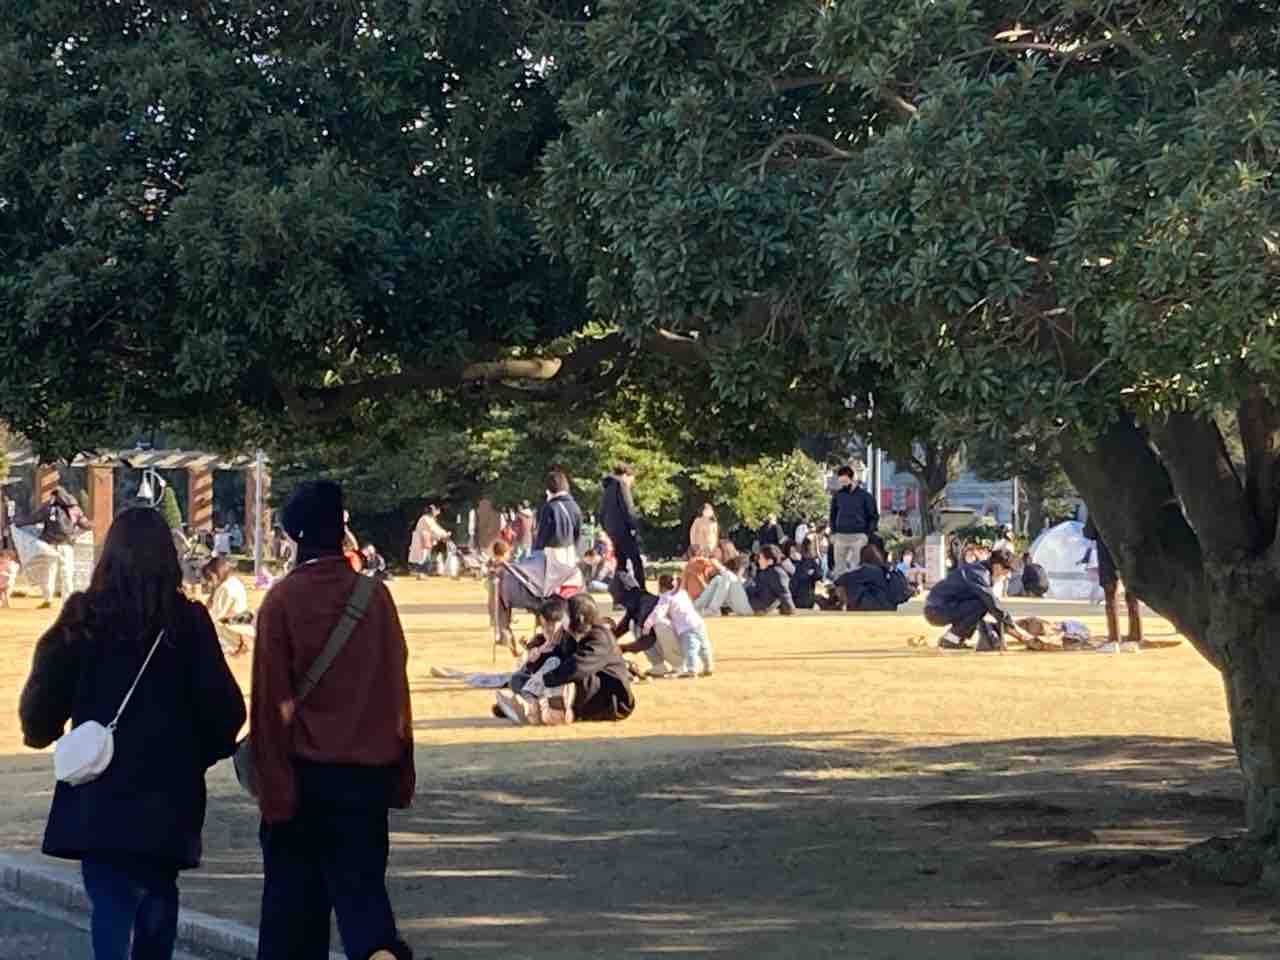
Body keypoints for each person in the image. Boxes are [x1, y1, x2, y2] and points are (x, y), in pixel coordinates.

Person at [19, 508, 245, 960]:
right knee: (157, 904)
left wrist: (53, 733)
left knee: (110, 903)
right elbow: (226, 713)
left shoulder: (83, 617)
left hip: (99, 792)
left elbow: (41, 711)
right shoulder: (188, 622)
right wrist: (194, 754)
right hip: (168, 794)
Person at [250, 481, 416, 960]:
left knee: (292, 920)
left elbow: (271, 705)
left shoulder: (282, 601)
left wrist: (273, 789)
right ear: (341, 530)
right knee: (365, 905)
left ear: (293, 535)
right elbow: (395, 688)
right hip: (366, 778)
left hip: (302, 778)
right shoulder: (375, 597)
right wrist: (400, 769)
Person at [529, 593, 635, 722]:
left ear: (580, 618)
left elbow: (576, 668)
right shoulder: (571, 636)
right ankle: (542, 707)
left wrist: (542, 681)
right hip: (591, 691)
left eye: (567, 615)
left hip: (614, 702)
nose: (563, 619)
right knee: (556, 666)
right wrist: (536, 660)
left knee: (568, 673)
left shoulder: (600, 638)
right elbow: (557, 657)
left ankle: (562, 711)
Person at [923, 546, 1032, 650]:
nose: (1008, 575)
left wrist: (1009, 625)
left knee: (982, 604)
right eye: (1007, 571)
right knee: (983, 603)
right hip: (936, 610)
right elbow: (992, 603)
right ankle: (951, 639)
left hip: (942, 606)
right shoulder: (979, 574)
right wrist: (1019, 633)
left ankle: (952, 638)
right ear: (997, 566)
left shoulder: (981, 570)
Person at [25, 486, 92, 609]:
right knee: (67, 574)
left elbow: (32, 519)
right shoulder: (75, 509)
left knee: (49, 572)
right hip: (66, 545)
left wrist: (17, 523)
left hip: (49, 545)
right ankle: (68, 601)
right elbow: (87, 526)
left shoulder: (48, 508)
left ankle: (48, 599)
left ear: (54, 496)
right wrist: (74, 535)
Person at [1083, 517, 1141, 646]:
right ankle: (1135, 636)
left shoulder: (1100, 506)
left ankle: (1114, 639)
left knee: (1111, 596)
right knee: (1132, 594)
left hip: (1107, 552)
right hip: (1130, 550)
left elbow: (1089, 533)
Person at [645, 574, 714, 678]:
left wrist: (647, 624)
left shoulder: (666, 597)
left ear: (661, 587)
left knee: (690, 649)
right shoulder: (682, 593)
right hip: (699, 623)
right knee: (704, 647)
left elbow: (658, 612)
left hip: (686, 627)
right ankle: (708, 667)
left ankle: (692, 670)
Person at [829, 465, 879, 580]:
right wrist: (833, 533)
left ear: (852, 479)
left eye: (845, 481)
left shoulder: (866, 496)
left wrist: (867, 534)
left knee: (855, 567)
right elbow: (832, 516)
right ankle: (840, 588)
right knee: (839, 569)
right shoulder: (838, 496)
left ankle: (855, 587)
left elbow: (874, 517)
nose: (843, 484)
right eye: (841, 482)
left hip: (859, 536)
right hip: (840, 536)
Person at [600, 463, 645, 587]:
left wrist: (607, 529)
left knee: (621, 563)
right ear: (626, 475)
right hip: (624, 530)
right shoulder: (621, 484)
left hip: (612, 531)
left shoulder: (607, 487)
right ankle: (641, 589)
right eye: (631, 480)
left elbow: (601, 512)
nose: (630, 484)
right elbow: (628, 508)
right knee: (636, 561)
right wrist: (634, 527)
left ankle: (621, 590)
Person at [835, 544, 914, 611]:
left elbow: (840, 580)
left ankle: (845, 607)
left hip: (872, 608)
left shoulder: (868, 570)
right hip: (891, 607)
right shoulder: (890, 570)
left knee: (851, 584)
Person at [203, 555, 254, 656]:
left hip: (231, 635)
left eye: (209, 578)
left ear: (216, 574)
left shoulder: (224, 588)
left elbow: (215, 617)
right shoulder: (234, 582)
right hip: (240, 627)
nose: (208, 583)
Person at [534, 468, 583, 568]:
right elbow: (578, 533)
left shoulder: (549, 507)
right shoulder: (575, 506)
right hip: (570, 552)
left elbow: (543, 534)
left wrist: (537, 552)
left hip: (552, 553)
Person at [746, 544, 796, 615]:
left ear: (770, 561)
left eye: (760, 558)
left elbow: (785, 595)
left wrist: (790, 609)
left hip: (753, 605)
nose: (758, 560)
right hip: (752, 603)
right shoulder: (768, 571)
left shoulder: (776, 573)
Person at [409, 506, 445, 579]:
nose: (438, 512)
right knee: (422, 557)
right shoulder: (426, 518)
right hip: (421, 539)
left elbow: (435, 529)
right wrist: (444, 534)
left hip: (425, 538)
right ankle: (420, 573)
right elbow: (433, 528)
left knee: (425, 556)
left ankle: (423, 573)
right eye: (436, 510)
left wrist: (443, 535)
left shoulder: (430, 519)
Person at [789, 538, 824, 610]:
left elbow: (819, 577)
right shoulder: (807, 563)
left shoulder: (806, 563)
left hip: (799, 599)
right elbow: (819, 577)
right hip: (803, 600)